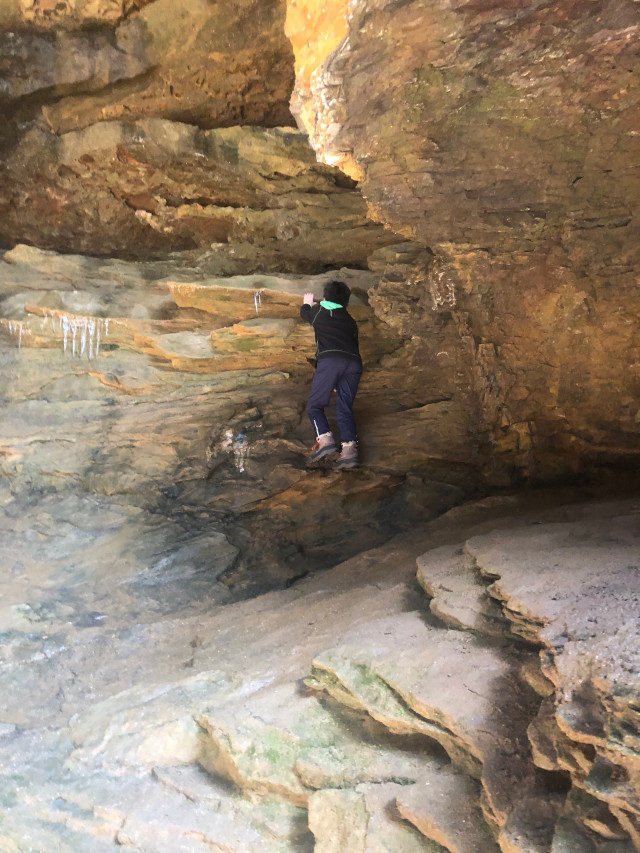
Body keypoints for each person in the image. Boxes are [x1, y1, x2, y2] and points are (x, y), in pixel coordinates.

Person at [300, 279, 362, 469]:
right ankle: (349, 451)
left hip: (330, 362)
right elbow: (354, 345)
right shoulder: (351, 321)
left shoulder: (319, 312)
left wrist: (307, 302)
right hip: (353, 364)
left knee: (314, 406)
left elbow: (305, 314)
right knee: (344, 406)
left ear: (325, 298)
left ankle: (325, 441)